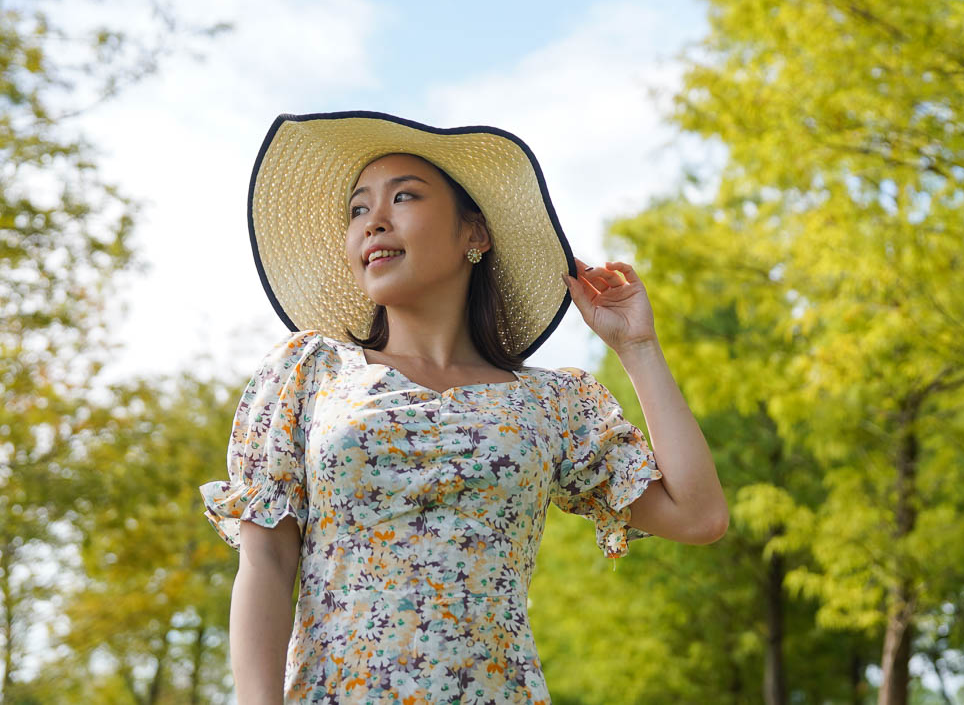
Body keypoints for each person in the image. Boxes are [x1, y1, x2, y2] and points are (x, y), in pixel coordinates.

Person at [198, 111, 728, 704]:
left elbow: (698, 516)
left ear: (474, 234)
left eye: (403, 197)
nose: (373, 221)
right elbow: (266, 559)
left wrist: (638, 348)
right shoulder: (308, 373)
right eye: (357, 209)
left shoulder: (550, 402)